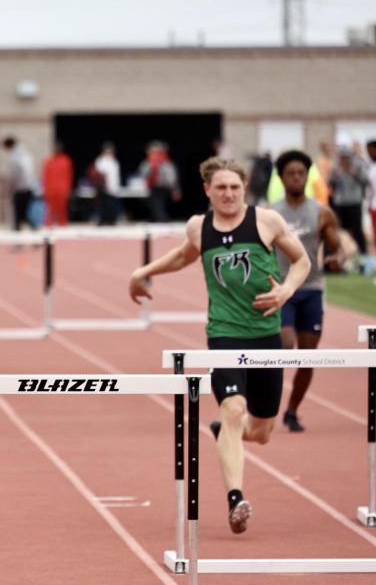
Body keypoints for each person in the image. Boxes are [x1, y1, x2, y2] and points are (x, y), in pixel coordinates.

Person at [128, 156, 309, 534]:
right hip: (224, 334)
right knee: (233, 408)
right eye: (221, 187)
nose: (228, 194)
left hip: (265, 335)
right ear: (207, 190)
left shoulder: (266, 222)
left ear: (244, 189)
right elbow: (183, 256)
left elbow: (302, 260)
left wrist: (287, 291)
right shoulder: (199, 226)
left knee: (260, 432)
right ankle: (235, 499)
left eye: (235, 187)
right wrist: (143, 272)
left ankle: (226, 431)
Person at [271, 150, 341, 433]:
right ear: (282, 177)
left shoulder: (321, 212)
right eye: (291, 173)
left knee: (307, 355)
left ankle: (291, 410)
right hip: (283, 288)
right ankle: (265, 406)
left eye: (301, 173)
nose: (297, 178)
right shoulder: (271, 213)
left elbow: (336, 247)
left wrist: (336, 255)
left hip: (311, 288)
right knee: (285, 346)